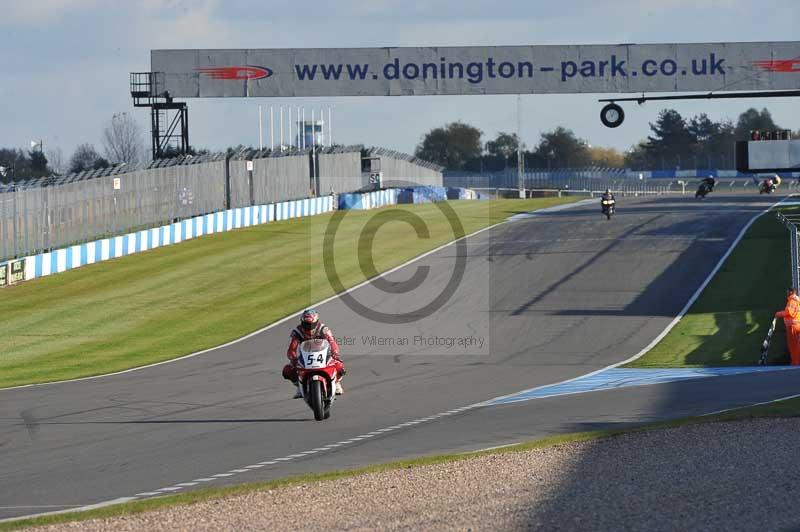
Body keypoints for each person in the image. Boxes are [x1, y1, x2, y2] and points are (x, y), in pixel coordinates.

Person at [283, 308, 345, 398]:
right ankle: (299, 386)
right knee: (287, 370)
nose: (309, 327)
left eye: (312, 324)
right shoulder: (297, 332)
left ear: (317, 322)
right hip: (305, 357)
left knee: (340, 366)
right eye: (306, 324)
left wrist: (335, 352)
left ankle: (337, 383)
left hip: (324, 355)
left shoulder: (323, 329)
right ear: (302, 322)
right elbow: (292, 348)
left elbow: (332, 341)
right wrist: (293, 359)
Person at [775, 288, 800, 365]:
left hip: (793, 327)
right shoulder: (796, 300)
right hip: (796, 325)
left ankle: (795, 362)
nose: (786, 293)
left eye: (788, 291)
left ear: (791, 292)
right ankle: (796, 362)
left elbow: (789, 312)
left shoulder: (792, 301)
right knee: (795, 345)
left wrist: (778, 314)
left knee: (793, 346)